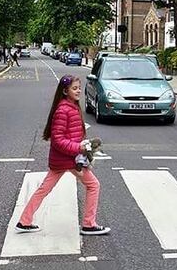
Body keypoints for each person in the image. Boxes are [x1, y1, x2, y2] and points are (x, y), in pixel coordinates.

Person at [15, 74, 110, 236]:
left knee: (44, 189)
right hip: (68, 159)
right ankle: (88, 224)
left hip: (66, 159)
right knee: (93, 185)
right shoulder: (63, 110)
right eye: (74, 88)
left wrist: (84, 146)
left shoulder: (71, 106)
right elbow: (58, 140)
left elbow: (71, 135)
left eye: (79, 87)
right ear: (65, 91)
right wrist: (79, 148)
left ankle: (24, 221)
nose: (79, 91)